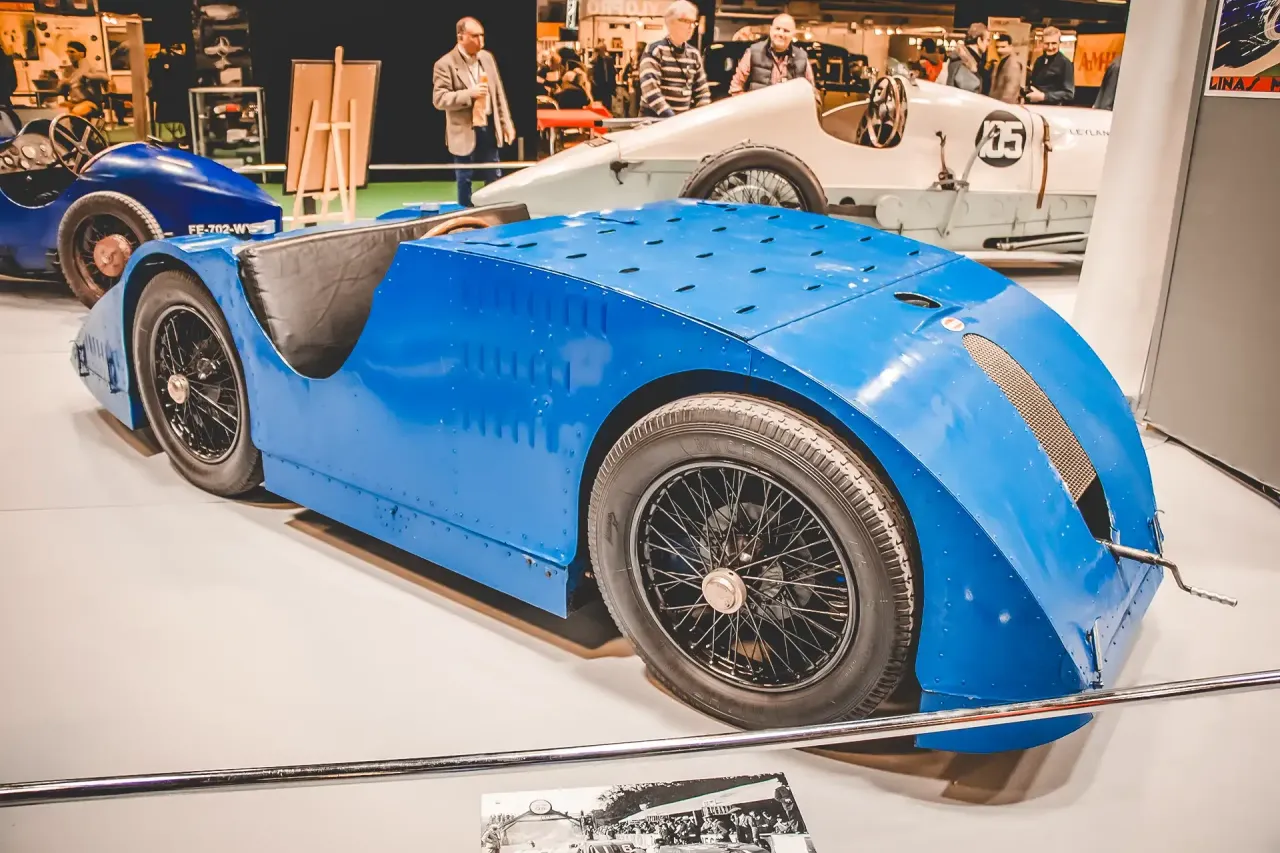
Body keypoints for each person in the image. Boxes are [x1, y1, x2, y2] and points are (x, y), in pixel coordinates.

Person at [432, 16, 516, 207]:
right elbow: (439, 99)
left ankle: (493, 212)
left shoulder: (487, 58)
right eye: (475, 36)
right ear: (460, 37)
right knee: (464, 179)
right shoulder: (445, 64)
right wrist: (469, 94)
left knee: (494, 175)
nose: (481, 41)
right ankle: (465, 216)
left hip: (488, 125)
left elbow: (498, 93)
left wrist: (506, 123)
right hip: (464, 130)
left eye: (482, 35)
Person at [638, 0, 710, 118]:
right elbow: (650, 91)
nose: (691, 26)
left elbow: (702, 92)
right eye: (686, 21)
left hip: (679, 123)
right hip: (653, 122)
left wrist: (700, 117)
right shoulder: (655, 50)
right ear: (671, 22)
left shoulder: (694, 54)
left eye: (693, 22)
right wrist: (672, 119)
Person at [727, 13, 814, 96]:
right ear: (771, 30)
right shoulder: (753, 52)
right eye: (777, 29)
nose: (781, 34)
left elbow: (811, 93)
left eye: (786, 31)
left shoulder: (801, 58)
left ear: (792, 34)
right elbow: (736, 87)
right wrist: (748, 105)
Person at [59, 41, 108, 118]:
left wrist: (89, 76)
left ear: (81, 54)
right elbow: (61, 89)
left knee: (76, 112)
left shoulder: (91, 67)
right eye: (68, 52)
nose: (69, 55)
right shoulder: (68, 70)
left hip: (90, 102)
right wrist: (62, 84)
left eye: (72, 52)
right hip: (73, 102)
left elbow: (105, 77)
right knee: (55, 112)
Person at [1027, 26, 1075, 104]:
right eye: (1047, 43)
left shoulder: (1065, 63)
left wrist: (1044, 96)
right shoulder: (1039, 61)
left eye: (1054, 43)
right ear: (1042, 43)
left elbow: (1069, 94)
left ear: (1059, 43)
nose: (1050, 47)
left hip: (1053, 108)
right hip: (1035, 107)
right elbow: (1034, 85)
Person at [945, 23, 991, 95]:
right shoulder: (964, 62)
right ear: (979, 40)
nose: (989, 44)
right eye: (988, 40)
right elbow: (970, 91)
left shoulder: (962, 58)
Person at [989, 32, 1026, 104]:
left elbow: (1011, 89)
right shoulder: (1001, 61)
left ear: (1010, 47)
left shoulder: (1013, 64)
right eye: (997, 47)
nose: (999, 50)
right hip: (997, 102)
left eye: (1003, 47)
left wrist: (1004, 105)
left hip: (1004, 104)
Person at [591, 40, 616, 114]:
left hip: (608, 88)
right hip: (598, 88)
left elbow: (612, 73)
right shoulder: (595, 61)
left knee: (608, 108)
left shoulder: (609, 60)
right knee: (600, 108)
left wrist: (613, 87)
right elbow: (593, 75)